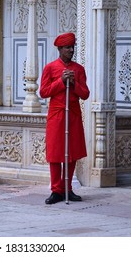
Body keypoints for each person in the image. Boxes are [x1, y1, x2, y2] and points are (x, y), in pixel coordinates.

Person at [39, 32, 90, 204]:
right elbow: (44, 92)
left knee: (71, 152)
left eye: (72, 47)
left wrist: (74, 84)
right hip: (56, 114)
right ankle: (56, 190)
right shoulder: (50, 68)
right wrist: (61, 81)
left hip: (73, 114)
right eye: (67, 47)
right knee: (55, 153)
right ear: (60, 49)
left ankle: (67, 188)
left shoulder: (79, 69)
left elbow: (85, 94)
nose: (71, 50)